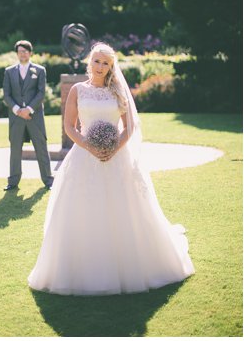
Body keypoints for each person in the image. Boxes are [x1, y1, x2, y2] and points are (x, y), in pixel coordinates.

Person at [28, 43, 194, 295]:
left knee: (125, 209)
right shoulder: (77, 90)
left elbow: (129, 127)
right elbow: (70, 127)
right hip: (84, 157)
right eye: (97, 61)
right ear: (90, 62)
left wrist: (113, 148)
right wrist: (90, 148)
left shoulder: (118, 91)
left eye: (106, 63)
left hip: (119, 158)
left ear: (111, 66)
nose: (101, 67)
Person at [2, 40, 54, 191]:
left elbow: (41, 93)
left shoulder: (40, 70)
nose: (22, 54)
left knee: (41, 147)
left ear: (30, 53)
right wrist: (18, 110)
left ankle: (48, 181)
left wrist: (29, 109)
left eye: (25, 51)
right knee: (15, 148)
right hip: (16, 117)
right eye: (20, 51)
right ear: (17, 53)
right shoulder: (9, 71)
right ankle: (13, 182)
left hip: (34, 116)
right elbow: (6, 95)